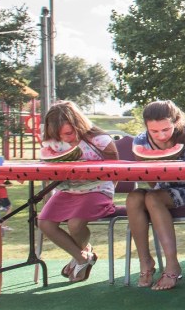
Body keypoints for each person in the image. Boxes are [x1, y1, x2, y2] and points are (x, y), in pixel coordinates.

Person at [126, 100, 185, 290]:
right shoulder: (140, 142)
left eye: (166, 129)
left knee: (153, 198)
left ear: (176, 121)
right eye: (154, 132)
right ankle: (145, 262)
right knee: (133, 197)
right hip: (161, 190)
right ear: (146, 127)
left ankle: (172, 263)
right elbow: (149, 180)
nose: (161, 136)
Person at [38, 100, 119, 283]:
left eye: (68, 133)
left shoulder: (101, 142)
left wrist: (107, 191)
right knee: (44, 223)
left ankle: (79, 257)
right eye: (58, 135)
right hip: (67, 191)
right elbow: (47, 169)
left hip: (98, 189)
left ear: (79, 124)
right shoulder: (52, 144)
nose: (64, 139)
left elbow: (116, 172)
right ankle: (83, 257)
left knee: (75, 224)